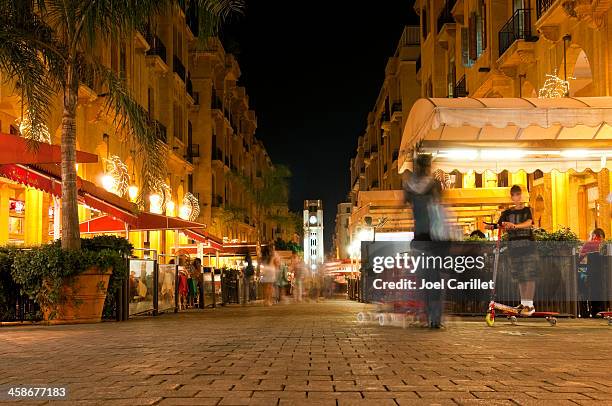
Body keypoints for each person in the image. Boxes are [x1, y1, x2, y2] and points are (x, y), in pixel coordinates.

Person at [404, 154, 444, 328]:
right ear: (428, 167)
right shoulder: (434, 185)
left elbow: (403, 205)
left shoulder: (409, 186)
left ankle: (428, 315)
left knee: (424, 280)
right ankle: (434, 318)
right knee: (434, 280)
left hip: (418, 239)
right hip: (433, 239)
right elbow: (440, 207)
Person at [486, 184, 536, 316]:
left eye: (518, 195)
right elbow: (499, 224)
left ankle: (529, 305)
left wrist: (514, 225)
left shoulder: (527, 210)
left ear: (521, 196)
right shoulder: (507, 213)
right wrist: (491, 226)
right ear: (512, 197)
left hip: (527, 246)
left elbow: (529, 223)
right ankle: (523, 302)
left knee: (529, 275)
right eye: (514, 195)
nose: (517, 198)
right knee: (520, 276)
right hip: (514, 247)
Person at [579, 228, 606, 316]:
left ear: (594, 235)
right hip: (605, 275)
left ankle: (590, 311)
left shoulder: (589, 244)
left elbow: (579, 259)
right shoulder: (606, 245)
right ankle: (603, 310)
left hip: (591, 274)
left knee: (589, 288)